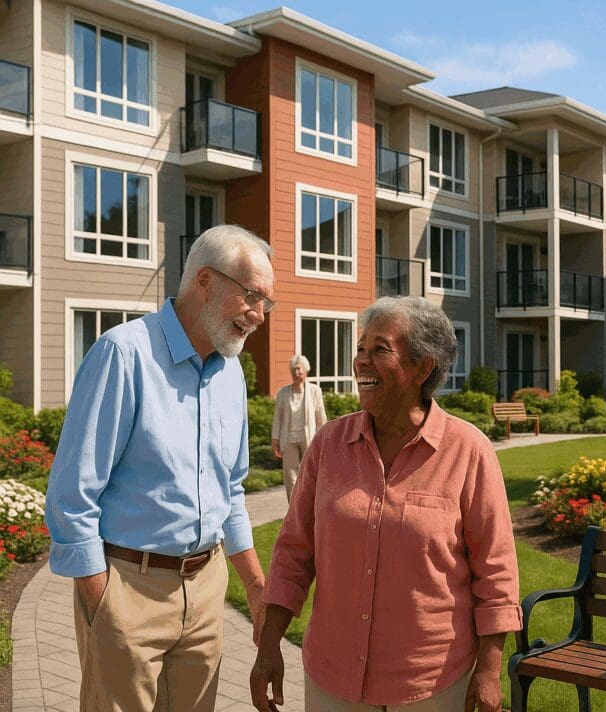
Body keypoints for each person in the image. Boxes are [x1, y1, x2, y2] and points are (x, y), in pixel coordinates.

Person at [250, 296, 521, 712]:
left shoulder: (468, 452)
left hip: (432, 682)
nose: (362, 361)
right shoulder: (328, 445)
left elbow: (496, 575)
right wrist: (268, 645)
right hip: (332, 678)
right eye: (360, 349)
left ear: (422, 367)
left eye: (380, 349)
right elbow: (293, 553)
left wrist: (488, 671)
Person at [44, 225, 273, 711]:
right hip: (128, 588)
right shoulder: (123, 354)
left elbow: (230, 491)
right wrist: (102, 601)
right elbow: (72, 494)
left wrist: (254, 587)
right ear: (206, 281)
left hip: (208, 590)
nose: (259, 316)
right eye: (252, 296)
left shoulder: (230, 373)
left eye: (266, 304)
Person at [271, 354, 328, 500]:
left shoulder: (315, 391)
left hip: (308, 438)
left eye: (298, 369)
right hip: (289, 439)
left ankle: (310, 507)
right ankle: (293, 510)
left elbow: (320, 416)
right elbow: (278, 418)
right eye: (293, 370)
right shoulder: (283, 393)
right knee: (291, 477)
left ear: (305, 370)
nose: (296, 373)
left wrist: (324, 439)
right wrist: (275, 440)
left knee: (309, 474)